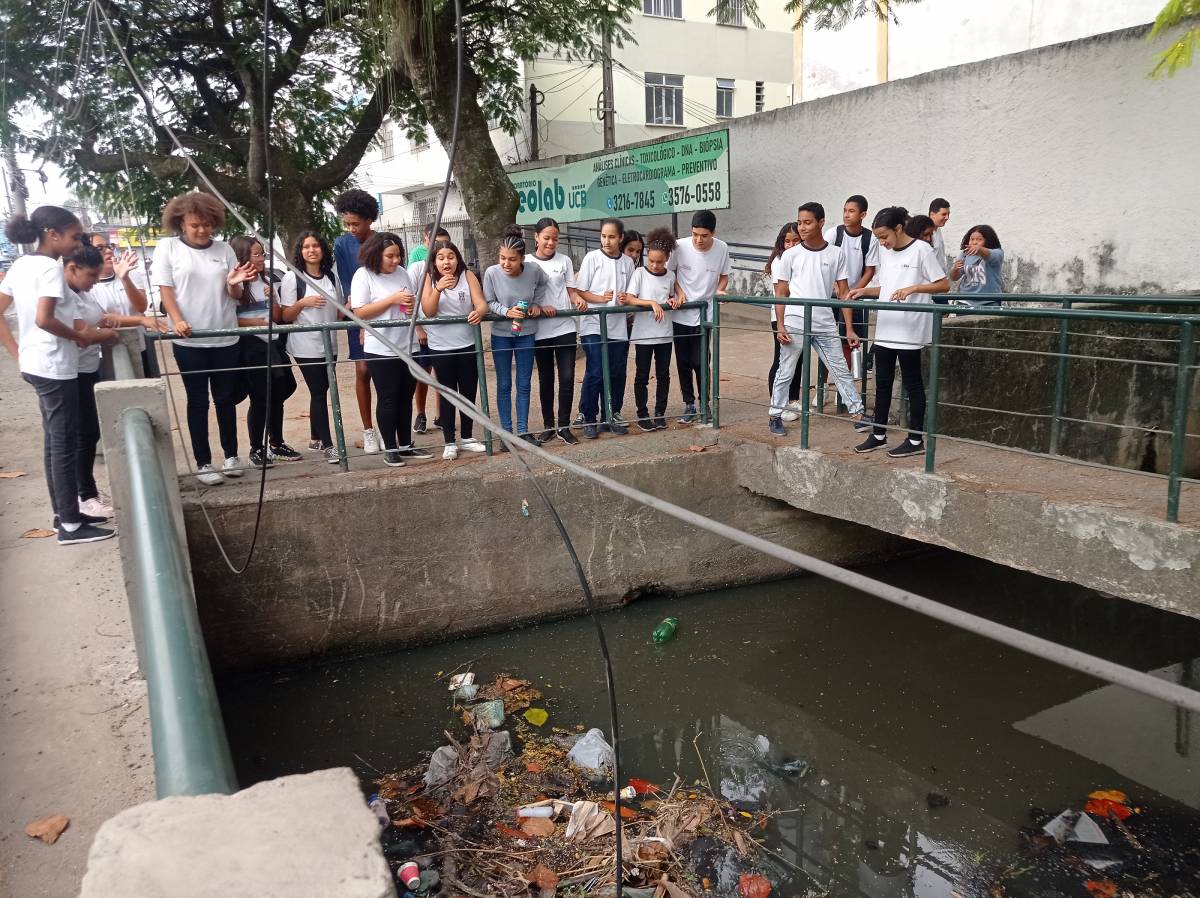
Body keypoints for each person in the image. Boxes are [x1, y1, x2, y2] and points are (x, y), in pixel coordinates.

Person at [0, 207, 117, 544]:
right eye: (75, 236)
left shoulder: (21, 265)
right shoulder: (50, 269)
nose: (78, 243)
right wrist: (80, 336)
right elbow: (43, 319)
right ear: (52, 234)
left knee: (55, 443)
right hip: (54, 365)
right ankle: (70, 525)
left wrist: (17, 352)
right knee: (63, 443)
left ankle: (64, 514)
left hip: (36, 363)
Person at [154, 192, 257, 485]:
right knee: (197, 400)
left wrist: (234, 284)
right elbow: (166, 290)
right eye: (195, 225)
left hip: (224, 335)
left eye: (207, 224)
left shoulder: (225, 250)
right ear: (181, 224)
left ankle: (231, 455)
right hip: (190, 339)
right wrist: (177, 320)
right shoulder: (168, 248)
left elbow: (234, 295)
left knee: (225, 399)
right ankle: (203, 462)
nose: (202, 230)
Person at [849, 207, 950, 458]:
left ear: (898, 228)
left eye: (885, 236)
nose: (882, 243)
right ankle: (879, 434)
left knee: (912, 383)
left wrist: (914, 288)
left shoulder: (921, 250)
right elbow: (889, 287)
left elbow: (943, 284)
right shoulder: (888, 253)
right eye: (878, 238)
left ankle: (915, 440)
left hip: (910, 329)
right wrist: (864, 291)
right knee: (881, 382)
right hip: (886, 327)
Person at [768, 202, 869, 437]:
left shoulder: (836, 254)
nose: (802, 227)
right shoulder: (790, 255)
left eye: (808, 222)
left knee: (840, 368)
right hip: (795, 320)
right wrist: (780, 325)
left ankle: (858, 413)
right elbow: (780, 293)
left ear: (821, 222)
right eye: (800, 222)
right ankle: (774, 415)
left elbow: (843, 293)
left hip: (824, 321)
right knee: (786, 369)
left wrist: (850, 329)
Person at [349, 232, 432, 467]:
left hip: (408, 344)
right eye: (390, 256)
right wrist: (392, 300)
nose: (395, 260)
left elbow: (408, 303)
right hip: (381, 348)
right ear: (377, 254)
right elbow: (360, 313)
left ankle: (406, 444)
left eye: (398, 255)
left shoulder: (402, 273)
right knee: (388, 397)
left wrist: (409, 304)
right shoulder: (363, 275)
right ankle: (390, 446)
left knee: (406, 396)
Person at [231, 236, 299, 468]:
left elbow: (277, 318)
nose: (261, 258)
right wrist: (257, 323)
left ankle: (276, 443)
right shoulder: (237, 285)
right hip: (253, 347)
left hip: (273, 345)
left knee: (283, 389)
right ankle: (256, 448)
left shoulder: (267, 280)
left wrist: (274, 298)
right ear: (242, 257)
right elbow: (230, 318)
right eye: (256, 254)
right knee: (260, 398)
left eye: (262, 254)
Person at [419, 239, 489, 459]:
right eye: (441, 258)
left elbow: (481, 302)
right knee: (448, 393)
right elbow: (428, 312)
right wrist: (438, 288)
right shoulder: (428, 279)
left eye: (451, 257)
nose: (446, 262)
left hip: (467, 344)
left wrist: (480, 311)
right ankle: (449, 441)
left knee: (468, 391)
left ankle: (467, 437)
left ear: (457, 259)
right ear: (434, 261)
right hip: (441, 347)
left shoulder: (467, 276)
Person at [279, 231, 342, 463]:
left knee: (323, 389)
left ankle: (316, 437)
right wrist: (303, 302)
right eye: (306, 246)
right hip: (305, 344)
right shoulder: (292, 278)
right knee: (319, 390)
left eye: (316, 245)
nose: (312, 250)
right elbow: (285, 315)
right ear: (300, 251)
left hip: (330, 343)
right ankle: (328, 445)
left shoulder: (331, 277)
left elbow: (337, 311)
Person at [483, 225, 547, 447]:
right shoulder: (491, 273)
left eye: (511, 259)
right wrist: (505, 311)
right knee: (503, 384)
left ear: (522, 258)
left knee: (524, 383)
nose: (506, 264)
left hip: (526, 333)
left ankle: (523, 431)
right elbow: (488, 302)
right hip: (501, 334)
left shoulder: (534, 270)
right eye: (502, 258)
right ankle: (506, 433)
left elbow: (542, 284)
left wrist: (537, 304)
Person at [573, 217, 634, 439]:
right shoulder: (592, 258)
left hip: (618, 326)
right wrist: (599, 298)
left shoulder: (628, 262)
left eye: (611, 237)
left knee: (616, 371)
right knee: (596, 370)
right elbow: (581, 291)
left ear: (620, 238)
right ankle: (589, 416)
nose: (606, 241)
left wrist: (626, 299)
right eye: (603, 236)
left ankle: (611, 414)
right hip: (593, 325)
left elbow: (630, 294)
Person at [669, 210, 730, 424]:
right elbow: (670, 273)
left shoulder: (722, 248)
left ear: (713, 233)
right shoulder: (679, 246)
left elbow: (724, 276)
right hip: (681, 313)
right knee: (683, 362)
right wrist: (679, 292)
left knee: (701, 361)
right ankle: (689, 404)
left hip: (706, 313)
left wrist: (719, 291)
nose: (699, 239)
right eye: (695, 234)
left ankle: (705, 404)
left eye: (704, 235)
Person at [333, 189, 381, 454]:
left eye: (356, 223)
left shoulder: (384, 241)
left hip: (385, 313)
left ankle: (389, 428)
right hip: (359, 312)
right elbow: (348, 283)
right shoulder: (342, 244)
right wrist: (360, 323)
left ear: (369, 219)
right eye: (347, 223)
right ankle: (368, 430)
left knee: (386, 374)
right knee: (363, 371)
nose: (351, 228)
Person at [527, 217, 580, 445]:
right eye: (546, 238)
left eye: (555, 239)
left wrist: (577, 298)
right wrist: (536, 307)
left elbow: (571, 290)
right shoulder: (527, 262)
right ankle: (549, 425)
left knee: (567, 377)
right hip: (540, 330)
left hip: (564, 326)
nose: (550, 242)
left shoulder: (565, 260)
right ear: (536, 237)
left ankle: (564, 426)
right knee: (546, 378)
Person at [623, 227, 677, 432]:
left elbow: (673, 292)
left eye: (659, 262)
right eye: (651, 260)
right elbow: (629, 297)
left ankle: (660, 413)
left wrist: (674, 299)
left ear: (666, 259)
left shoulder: (670, 275)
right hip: (644, 335)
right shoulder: (639, 273)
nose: (655, 265)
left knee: (663, 375)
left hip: (664, 335)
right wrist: (651, 303)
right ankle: (642, 414)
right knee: (642, 375)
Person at [825, 195, 879, 383]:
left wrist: (851, 291)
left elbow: (869, 270)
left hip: (853, 296)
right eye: (845, 210)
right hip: (832, 294)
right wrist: (837, 287)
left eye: (851, 211)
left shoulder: (870, 238)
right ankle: (822, 388)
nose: (846, 215)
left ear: (863, 214)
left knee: (850, 341)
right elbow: (825, 263)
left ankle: (844, 387)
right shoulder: (834, 234)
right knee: (828, 340)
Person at [407, 224, 450, 436]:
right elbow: (410, 300)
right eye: (436, 244)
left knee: (442, 375)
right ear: (427, 242)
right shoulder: (418, 268)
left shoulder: (451, 268)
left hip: (444, 334)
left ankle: (441, 415)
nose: (439, 249)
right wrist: (419, 329)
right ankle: (421, 414)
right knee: (423, 374)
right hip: (424, 333)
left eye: (444, 244)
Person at [764, 223, 802, 420]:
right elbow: (783, 293)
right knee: (781, 360)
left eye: (795, 240)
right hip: (782, 316)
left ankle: (793, 400)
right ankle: (777, 402)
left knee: (798, 359)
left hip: (799, 316)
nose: (791, 244)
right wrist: (781, 324)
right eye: (787, 241)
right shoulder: (780, 261)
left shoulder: (803, 257)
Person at [951, 225, 1005, 307]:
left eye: (979, 239)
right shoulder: (964, 254)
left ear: (988, 240)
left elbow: (989, 254)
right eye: (972, 239)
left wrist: (979, 249)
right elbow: (954, 277)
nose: (974, 242)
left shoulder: (997, 253)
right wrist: (955, 268)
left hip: (989, 302)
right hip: (965, 302)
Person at [928, 198, 951, 266]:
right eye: (943, 214)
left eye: (948, 214)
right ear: (932, 215)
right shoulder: (924, 234)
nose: (947, 217)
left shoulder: (938, 229)